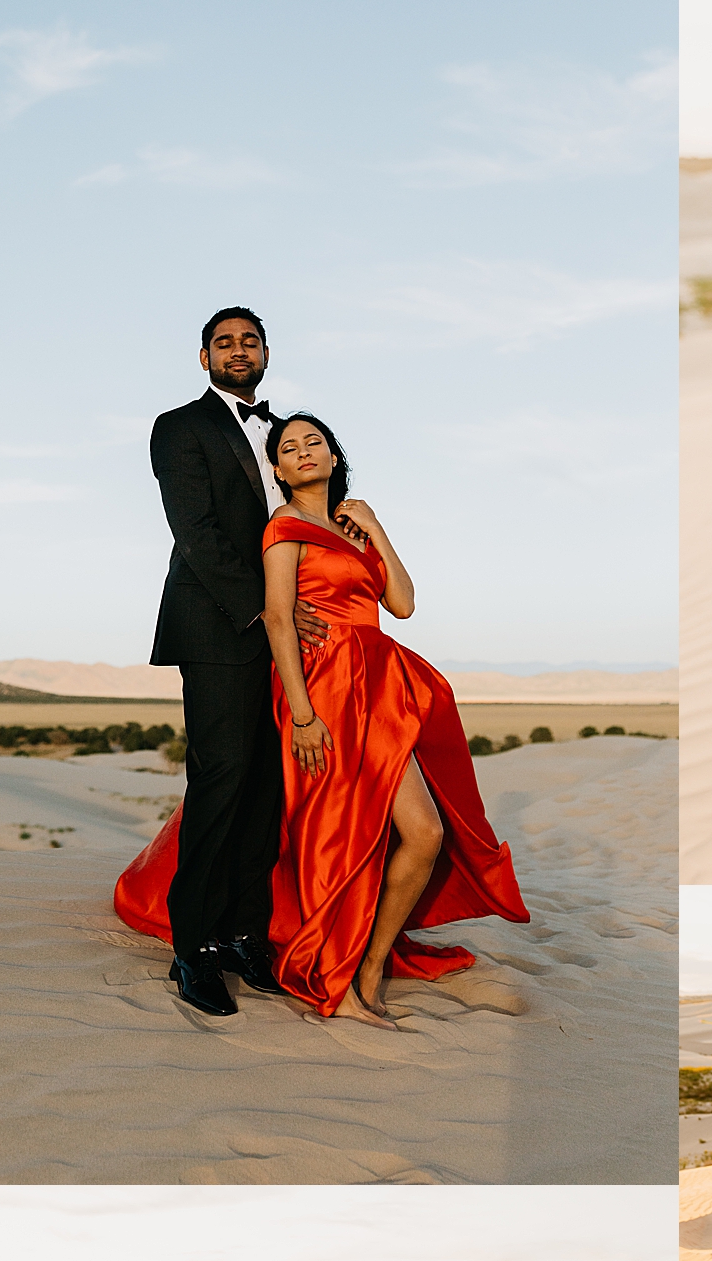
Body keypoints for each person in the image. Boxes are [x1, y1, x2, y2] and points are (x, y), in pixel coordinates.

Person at [116, 410, 530, 1024]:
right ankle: (329, 967)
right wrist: (304, 716)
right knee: (350, 833)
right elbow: (281, 620)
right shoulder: (283, 526)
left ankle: (369, 966)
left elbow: (404, 604)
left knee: (426, 831)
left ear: (335, 457)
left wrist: (376, 525)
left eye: (316, 442)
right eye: (290, 447)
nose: (305, 451)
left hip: (383, 689)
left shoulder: (354, 526)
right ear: (277, 470)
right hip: (328, 691)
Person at [136, 307, 325, 1017]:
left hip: (288, 642)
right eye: (225, 342)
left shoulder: (281, 436)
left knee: (266, 793)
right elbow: (198, 534)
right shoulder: (180, 427)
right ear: (204, 357)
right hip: (222, 628)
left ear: (267, 352)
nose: (238, 351)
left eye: (249, 341)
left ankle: (247, 935)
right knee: (221, 783)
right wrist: (267, 611)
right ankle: (194, 948)